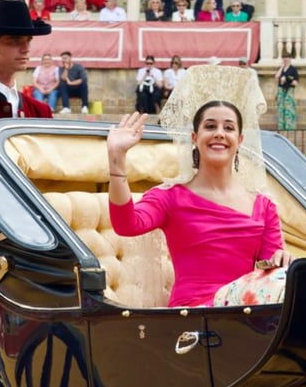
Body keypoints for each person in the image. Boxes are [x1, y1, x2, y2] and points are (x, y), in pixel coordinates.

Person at [106, 103, 291, 308]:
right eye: (210, 126)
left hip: (243, 314)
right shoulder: (170, 197)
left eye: (228, 128)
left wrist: (281, 261)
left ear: (239, 140)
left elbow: (271, 272)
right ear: (195, 137)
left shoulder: (264, 206)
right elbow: (126, 224)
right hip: (193, 313)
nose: (220, 134)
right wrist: (117, 157)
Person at [274, 55, 299, 130]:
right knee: (280, 108)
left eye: (287, 57)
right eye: (284, 58)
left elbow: (295, 82)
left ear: (290, 59)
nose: (285, 59)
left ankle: (290, 127)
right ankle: (281, 127)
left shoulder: (293, 69)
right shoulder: (281, 69)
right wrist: (281, 67)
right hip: (281, 90)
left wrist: (287, 79)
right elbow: (276, 77)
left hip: (289, 90)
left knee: (289, 108)